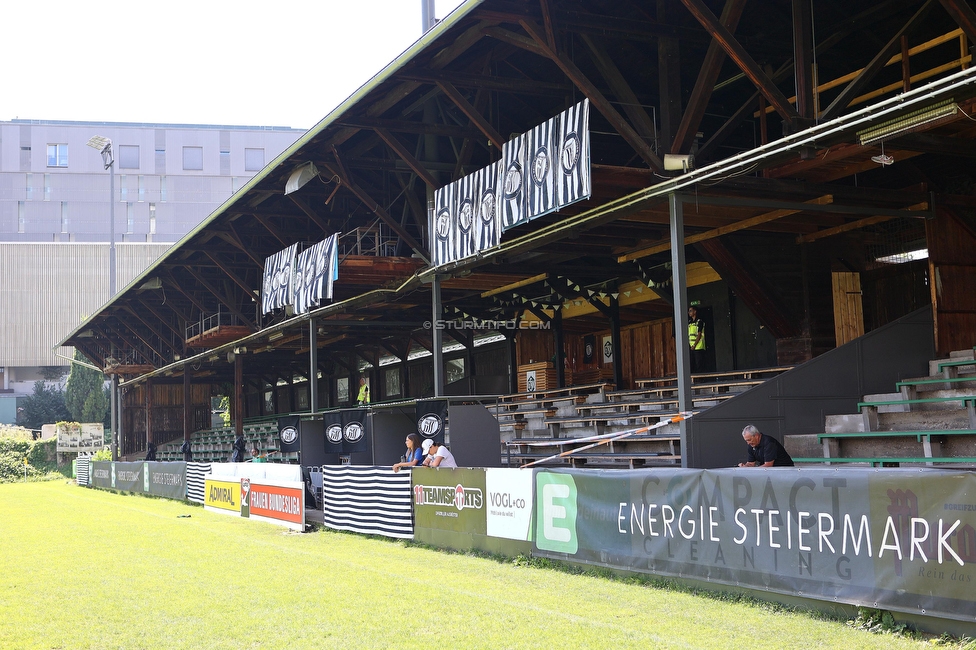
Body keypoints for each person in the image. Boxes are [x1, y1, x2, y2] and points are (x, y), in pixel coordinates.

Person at [688, 306, 706, 374]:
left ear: (695, 311)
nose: (689, 312)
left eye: (690, 311)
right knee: (692, 364)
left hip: (698, 347)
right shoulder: (690, 322)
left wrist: (694, 345)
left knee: (699, 365)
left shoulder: (699, 322)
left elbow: (699, 334)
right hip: (691, 347)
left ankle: (701, 380)